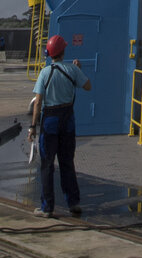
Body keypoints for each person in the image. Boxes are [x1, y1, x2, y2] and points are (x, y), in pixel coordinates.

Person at [27, 34, 93, 217]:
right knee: (67, 163)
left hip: (50, 121)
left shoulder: (44, 73)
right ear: (63, 52)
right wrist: (77, 70)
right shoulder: (73, 70)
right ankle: (74, 203)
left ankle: (47, 208)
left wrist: (33, 126)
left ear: (49, 53)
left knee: (47, 165)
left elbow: (38, 102)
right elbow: (88, 86)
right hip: (67, 119)